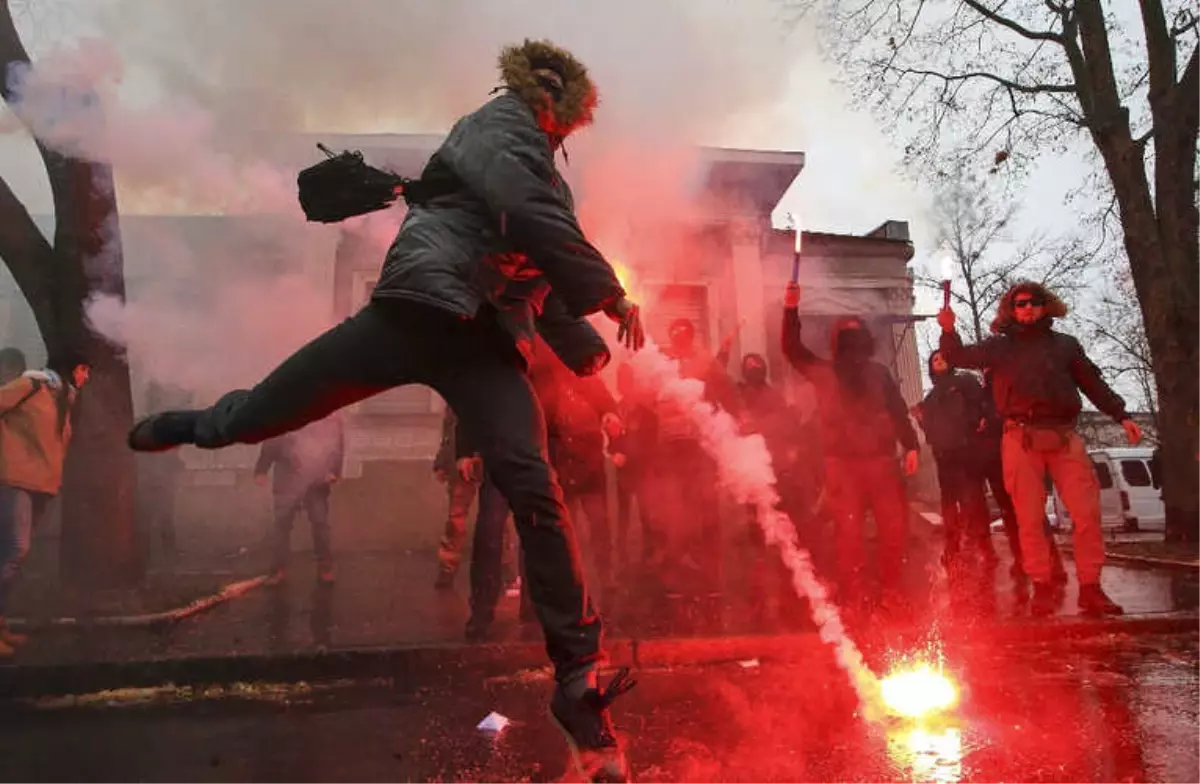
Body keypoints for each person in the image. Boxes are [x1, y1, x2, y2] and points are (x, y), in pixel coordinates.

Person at [126, 39, 644, 780]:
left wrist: (590, 348)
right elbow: (527, 212)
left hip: (484, 344)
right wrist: (611, 289)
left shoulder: (545, 180)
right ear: (545, 101)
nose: (559, 130)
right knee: (269, 413)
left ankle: (576, 682)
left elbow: (546, 282)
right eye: (557, 116)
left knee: (535, 490)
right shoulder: (498, 126)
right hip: (413, 310)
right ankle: (201, 426)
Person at [938, 281, 1139, 617]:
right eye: (1020, 303)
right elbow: (957, 356)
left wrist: (1121, 414)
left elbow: (1092, 383)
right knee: (1029, 518)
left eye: (1034, 302)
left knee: (1086, 514)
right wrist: (948, 330)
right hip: (1020, 437)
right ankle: (1042, 588)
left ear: (1045, 307)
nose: (1027, 308)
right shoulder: (999, 348)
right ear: (1011, 309)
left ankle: (1091, 588)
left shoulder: (1066, 346)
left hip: (1064, 436)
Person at [780, 282, 920, 616]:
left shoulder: (879, 374)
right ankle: (854, 592)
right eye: (846, 335)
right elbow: (792, 349)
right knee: (849, 534)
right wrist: (790, 310)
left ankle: (890, 589)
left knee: (894, 530)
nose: (852, 340)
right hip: (842, 465)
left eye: (857, 334)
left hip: (882, 463)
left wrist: (911, 444)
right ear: (837, 342)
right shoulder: (824, 372)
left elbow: (898, 410)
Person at [0, 354, 90, 658]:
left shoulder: (63, 398)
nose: (85, 376)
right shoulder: (31, 384)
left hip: (40, 485)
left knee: (11, 556)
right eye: (82, 369)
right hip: (14, 481)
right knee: (14, 552)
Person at [913, 351, 995, 573]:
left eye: (942, 358)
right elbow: (930, 433)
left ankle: (984, 547)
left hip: (967, 451)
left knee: (973, 500)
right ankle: (953, 547)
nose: (939, 362)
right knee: (949, 504)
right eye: (934, 361)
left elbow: (981, 406)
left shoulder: (964, 381)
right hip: (945, 457)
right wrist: (921, 420)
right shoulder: (930, 398)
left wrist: (978, 426)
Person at [254, 413, 344, 583]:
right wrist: (261, 469)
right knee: (282, 523)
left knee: (320, 523)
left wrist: (334, 470)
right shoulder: (286, 408)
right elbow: (272, 440)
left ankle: (325, 567)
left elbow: (337, 444)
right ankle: (278, 569)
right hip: (287, 476)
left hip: (317, 478)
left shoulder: (329, 412)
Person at [432, 409, 480, 590]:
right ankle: (447, 568)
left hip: (480, 458)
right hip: (466, 460)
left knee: (496, 520)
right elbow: (449, 431)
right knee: (456, 518)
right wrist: (443, 461)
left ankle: (448, 568)